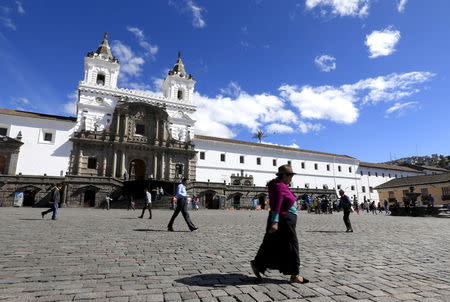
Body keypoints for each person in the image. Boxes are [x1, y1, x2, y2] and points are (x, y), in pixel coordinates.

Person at [251, 165, 309, 284]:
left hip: (286, 218)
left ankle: (258, 264)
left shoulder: (282, 186)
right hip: (284, 219)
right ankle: (295, 274)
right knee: (292, 245)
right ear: (283, 175)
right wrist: (275, 221)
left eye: (292, 175)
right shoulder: (278, 187)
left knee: (271, 243)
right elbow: (276, 205)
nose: (291, 178)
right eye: (290, 175)